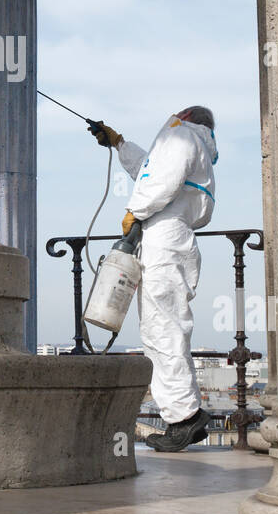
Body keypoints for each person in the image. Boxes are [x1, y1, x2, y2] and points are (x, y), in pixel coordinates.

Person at [91, 107, 217, 452]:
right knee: (166, 328)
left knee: (164, 330)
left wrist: (135, 211)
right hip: (170, 239)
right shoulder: (192, 143)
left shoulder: (181, 135)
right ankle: (185, 414)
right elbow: (152, 171)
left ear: (187, 115)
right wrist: (119, 144)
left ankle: (184, 420)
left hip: (164, 240)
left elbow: (162, 178)